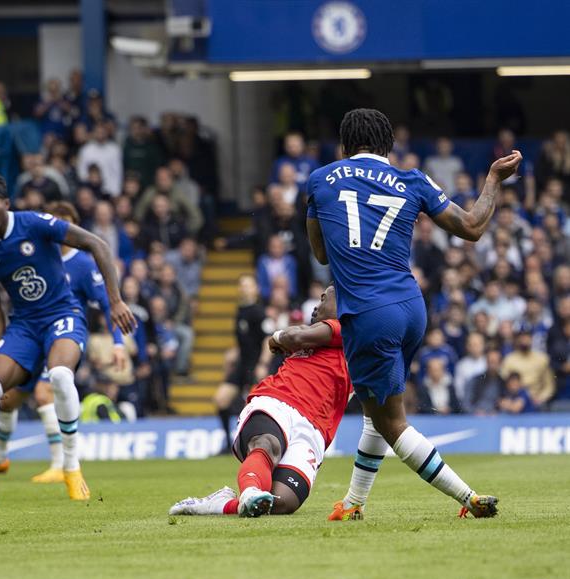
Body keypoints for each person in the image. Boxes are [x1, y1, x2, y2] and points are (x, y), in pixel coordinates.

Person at [306, 108, 521, 520]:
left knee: (392, 421)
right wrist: (492, 179)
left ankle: (468, 497)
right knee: (376, 407)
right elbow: (474, 227)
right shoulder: (414, 179)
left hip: (369, 313)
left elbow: (319, 252)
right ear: (390, 145)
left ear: (345, 145)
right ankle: (352, 504)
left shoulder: (321, 180)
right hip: (411, 308)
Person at [0, 174, 135, 503]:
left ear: (6, 203)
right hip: (23, 325)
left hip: (62, 315)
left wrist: (116, 301)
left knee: (59, 376)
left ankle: (70, 466)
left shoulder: (35, 223)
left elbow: (99, 244)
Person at [170, 286, 351, 517]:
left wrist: (277, 338)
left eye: (324, 299)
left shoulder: (347, 331)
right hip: (279, 401)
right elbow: (294, 336)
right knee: (267, 444)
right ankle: (251, 490)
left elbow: (291, 337)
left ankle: (220, 504)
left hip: (314, 428)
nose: (316, 305)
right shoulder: (334, 330)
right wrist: (279, 337)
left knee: (282, 503)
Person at [212, 274, 267, 453]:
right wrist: (232, 355)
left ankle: (257, 444)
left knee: (253, 407)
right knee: (221, 399)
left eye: (247, 285)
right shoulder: (240, 311)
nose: (243, 288)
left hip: (255, 364)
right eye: (241, 285)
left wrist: (263, 364)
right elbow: (244, 341)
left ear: (255, 289)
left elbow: (268, 339)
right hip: (242, 363)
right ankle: (228, 445)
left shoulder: (259, 312)